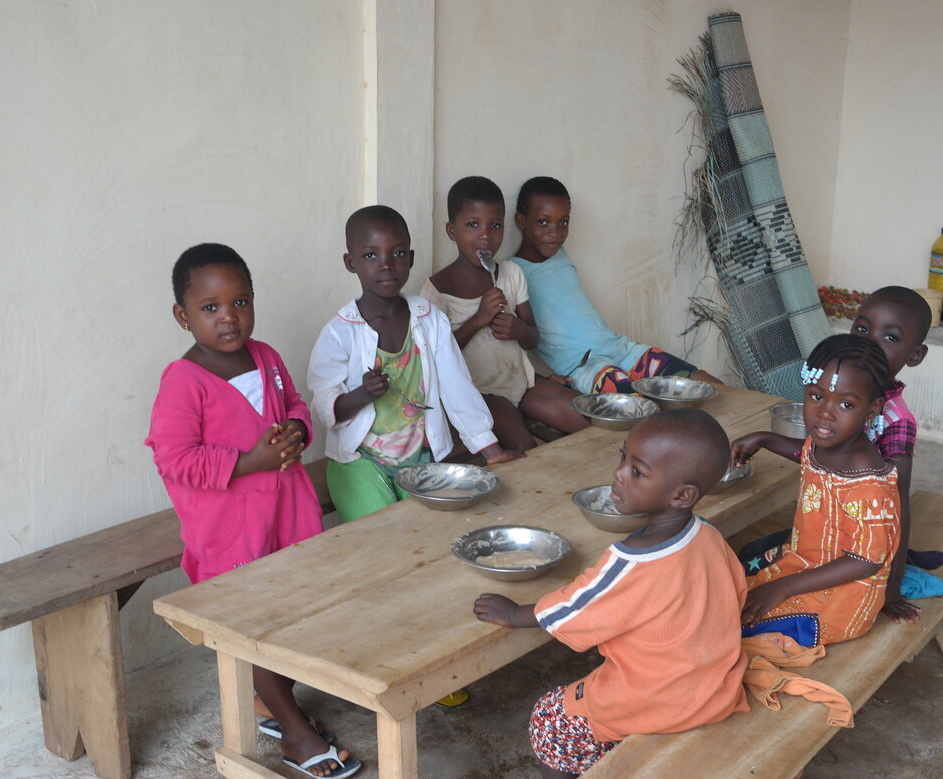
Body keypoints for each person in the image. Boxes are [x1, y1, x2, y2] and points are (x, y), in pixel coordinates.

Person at [146, 244, 359, 778]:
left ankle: (271, 700)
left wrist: (297, 430)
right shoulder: (182, 381)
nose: (229, 318)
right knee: (254, 624)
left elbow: (293, 405)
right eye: (211, 307)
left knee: (290, 614)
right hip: (229, 529)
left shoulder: (265, 357)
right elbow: (174, 459)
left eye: (240, 302)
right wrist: (248, 461)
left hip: (284, 514)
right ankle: (294, 730)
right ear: (183, 315)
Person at [307, 205, 523, 709]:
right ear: (350, 263)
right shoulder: (339, 332)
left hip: (421, 456)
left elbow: (455, 384)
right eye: (371, 255)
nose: (387, 264)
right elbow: (323, 404)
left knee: (435, 551)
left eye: (398, 253)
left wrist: (488, 448)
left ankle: (436, 663)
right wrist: (359, 395)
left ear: (410, 257)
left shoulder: (427, 319)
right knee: (388, 554)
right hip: (359, 461)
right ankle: (390, 661)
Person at [473, 409, 750, 778]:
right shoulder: (709, 536)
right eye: (623, 458)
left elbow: (571, 609)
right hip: (715, 688)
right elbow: (735, 593)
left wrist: (513, 614)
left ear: (682, 495)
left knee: (550, 721)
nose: (619, 474)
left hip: (658, 701)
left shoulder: (631, 561)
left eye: (637, 471)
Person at [731, 334, 900, 647]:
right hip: (801, 563)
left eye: (846, 404)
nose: (825, 413)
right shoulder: (828, 446)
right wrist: (765, 439)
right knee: (722, 592)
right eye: (816, 396)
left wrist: (781, 588)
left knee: (730, 631)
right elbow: (805, 453)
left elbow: (866, 561)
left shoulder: (869, 485)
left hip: (840, 598)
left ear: (873, 408)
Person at [506, 176, 722, 394]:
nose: (555, 232)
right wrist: (541, 377)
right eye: (543, 222)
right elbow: (519, 338)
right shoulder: (512, 272)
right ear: (521, 221)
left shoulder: (560, 254)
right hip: (585, 366)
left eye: (563, 222)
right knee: (640, 407)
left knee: (709, 387)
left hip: (622, 349)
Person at [422, 176, 589, 450]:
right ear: (452, 231)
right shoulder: (437, 291)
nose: (486, 235)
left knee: (586, 421)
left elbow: (532, 338)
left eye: (495, 225)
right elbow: (434, 360)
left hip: (523, 382)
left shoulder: (511, 273)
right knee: (525, 448)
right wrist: (478, 319)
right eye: (473, 225)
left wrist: (519, 330)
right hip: (480, 391)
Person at [849, 286, 932, 621]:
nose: (869, 343)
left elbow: (898, 504)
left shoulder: (895, 423)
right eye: (863, 329)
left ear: (915, 355)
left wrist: (892, 586)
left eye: (890, 337)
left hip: (861, 540)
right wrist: (767, 438)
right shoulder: (836, 387)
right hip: (822, 520)